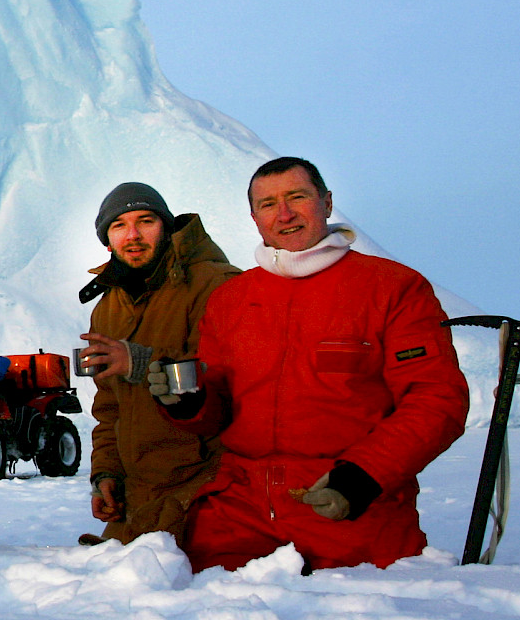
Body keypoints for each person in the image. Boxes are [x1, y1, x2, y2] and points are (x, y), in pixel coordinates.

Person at [154, 157, 468, 572]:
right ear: (254, 217)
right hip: (239, 513)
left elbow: (436, 399)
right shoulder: (232, 300)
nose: (283, 214)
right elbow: (220, 409)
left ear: (327, 202)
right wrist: (188, 402)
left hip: (349, 508)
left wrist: (362, 477)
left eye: (296, 197)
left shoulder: (392, 288)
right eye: (268, 204)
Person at [76, 182, 240, 547]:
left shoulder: (216, 285)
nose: (133, 235)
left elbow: (235, 380)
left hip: (207, 489)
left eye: (145, 221)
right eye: (119, 226)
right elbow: (109, 409)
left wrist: (139, 363)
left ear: (165, 226)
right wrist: (106, 475)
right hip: (139, 499)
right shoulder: (108, 308)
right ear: (108, 241)